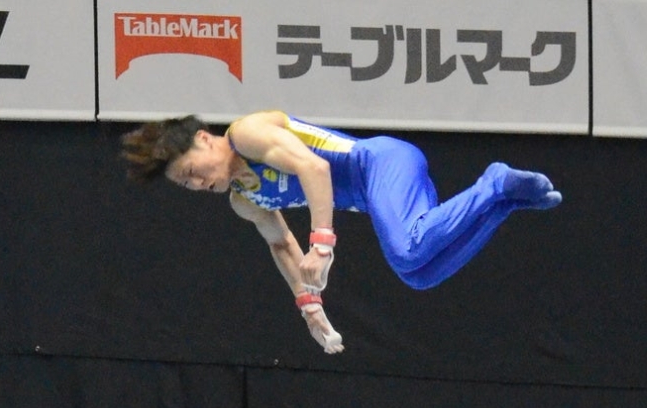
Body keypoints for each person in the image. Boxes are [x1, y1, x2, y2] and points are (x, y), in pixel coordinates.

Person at [121, 114, 561, 355]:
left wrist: (322, 244)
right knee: (419, 274)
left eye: (193, 171)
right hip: (376, 194)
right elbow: (280, 243)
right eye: (187, 185)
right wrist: (309, 306)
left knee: (408, 251)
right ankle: (505, 200)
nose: (199, 184)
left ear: (203, 138)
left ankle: (493, 182)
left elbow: (314, 167)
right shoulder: (243, 200)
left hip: (381, 162)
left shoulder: (245, 134)